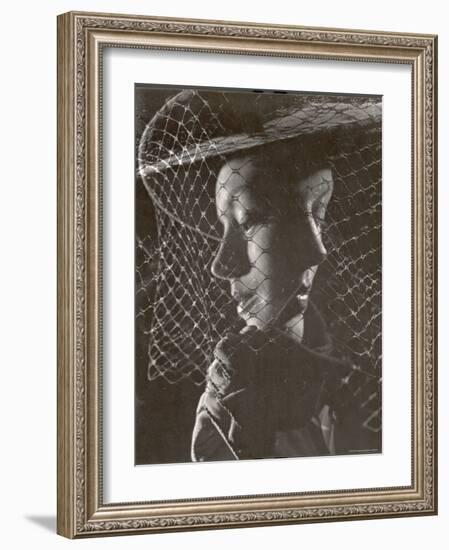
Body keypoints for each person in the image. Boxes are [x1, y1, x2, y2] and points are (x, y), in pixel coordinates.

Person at [138, 88, 382, 464]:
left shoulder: (385, 373)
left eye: (249, 220)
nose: (221, 265)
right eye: (225, 227)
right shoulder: (232, 396)